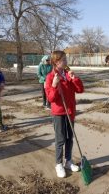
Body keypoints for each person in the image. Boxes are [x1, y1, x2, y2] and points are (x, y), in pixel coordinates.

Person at [45, 50, 84, 178]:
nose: (66, 62)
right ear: (56, 62)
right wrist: (55, 85)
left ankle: (68, 161)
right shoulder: (50, 77)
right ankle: (58, 164)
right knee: (60, 139)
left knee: (69, 138)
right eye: (64, 60)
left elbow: (80, 90)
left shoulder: (68, 74)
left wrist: (74, 78)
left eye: (66, 59)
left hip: (70, 111)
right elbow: (51, 99)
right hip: (59, 113)